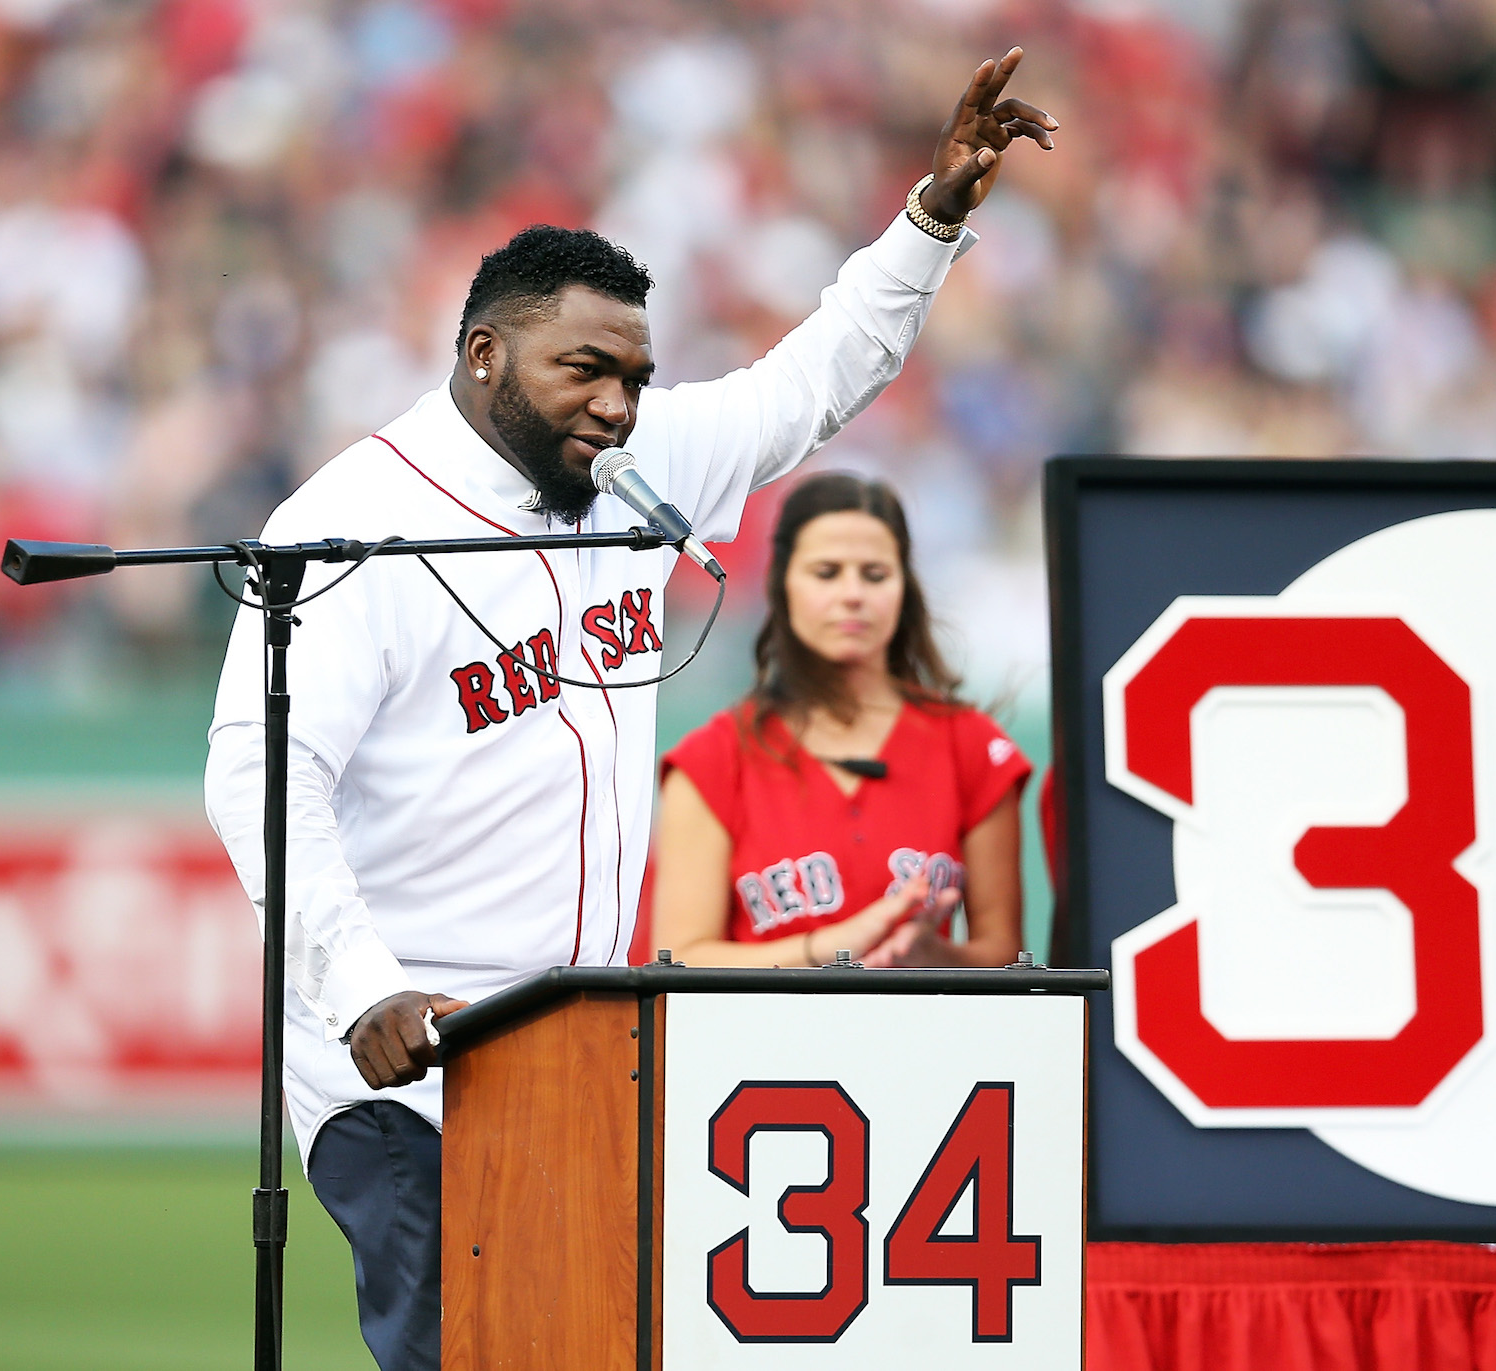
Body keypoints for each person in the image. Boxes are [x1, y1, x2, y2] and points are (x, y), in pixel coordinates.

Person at [203, 52, 1056, 1371]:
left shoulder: (633, 469)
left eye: (636, 375)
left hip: (584, 1047)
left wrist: (930, 220)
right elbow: (262, 772)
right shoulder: (349, 526)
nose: (616, 401)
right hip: (411, 1071)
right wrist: (360, 981)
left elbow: (815, 379)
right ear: (486, 353)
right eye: (583, 369)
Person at [653, 473, 1031, 968]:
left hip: (930, 1038)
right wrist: (830, 952)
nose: (853, 594)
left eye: (875, 574)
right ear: (783, 583)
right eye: (827, 572)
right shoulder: (713, 760)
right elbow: (677, 961)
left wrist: (933, 957)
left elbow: (1005, 955)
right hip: (760, 1043)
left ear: (904, 587)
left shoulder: (972, 747)